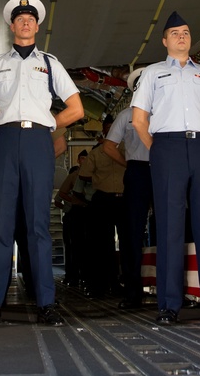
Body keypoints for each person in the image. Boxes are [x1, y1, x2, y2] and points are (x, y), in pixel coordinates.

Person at [0, 0, 83, 327]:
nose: (26, 22)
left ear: (38, 25)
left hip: (38, 142)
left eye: (31, 17)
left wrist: (49, 124)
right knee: (2, 225)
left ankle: (46, 302)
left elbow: (76, 108)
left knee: (38, 226)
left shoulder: (50, 64)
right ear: (12, 25)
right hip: (4, 140)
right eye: (20, 18)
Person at [131, 11, 200, 326]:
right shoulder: (152, 74)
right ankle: (168, 304)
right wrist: (159, 150)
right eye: (175, 32)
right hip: (167, 147)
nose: (182, 36)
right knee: (170, 226)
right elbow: (140, 120)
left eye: (186, 32)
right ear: (164, 40)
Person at [104, 68, 154, 309]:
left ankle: (171, 291)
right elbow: (109, 146)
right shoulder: (127, 115)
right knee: (132, 234)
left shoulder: (167, 113)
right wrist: (129, 164)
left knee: (170, 230)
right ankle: (133, 293)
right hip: (138, 172)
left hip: (164, 171)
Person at [78, 117, 127, 298]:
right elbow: (83, 175)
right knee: (101, 245)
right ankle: (102, 285)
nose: (110, 132)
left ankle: (127, 284)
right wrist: (100, 180)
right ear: (104, 132)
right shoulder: (96, 153)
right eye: (107, 129)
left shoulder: (128, 150)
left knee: (128, 243)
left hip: (124, 199)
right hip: (103, 200)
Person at [57, 150, 89, 288]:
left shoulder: (95, 174)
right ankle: (74, 275)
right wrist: (73, 202)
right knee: (74, 245)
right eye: (82, 158)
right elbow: (61, 194)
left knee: (89, 246)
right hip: (75, 213)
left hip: (90, 212)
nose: (85, 161)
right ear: (78, 160)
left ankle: (87, 275)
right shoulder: (74, 176)